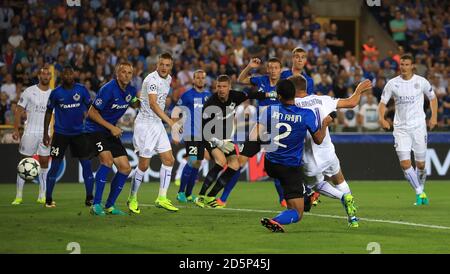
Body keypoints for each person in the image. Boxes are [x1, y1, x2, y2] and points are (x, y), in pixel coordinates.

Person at [290, 75, 373, 227]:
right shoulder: (323, 99)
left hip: (310, 156)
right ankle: (352, 217)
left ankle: (343, 197)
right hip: (328, 151)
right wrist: (359, 89)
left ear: (292, 89)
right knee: (339, 179)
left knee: (317, 185)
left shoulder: (292, 105)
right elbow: (352, 102)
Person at [258, 79, 331, 232]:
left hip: (270, 163)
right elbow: (318, 140)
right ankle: (276, 220)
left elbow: (260, 134)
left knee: (291, 195)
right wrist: (324, 124)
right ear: (295, 95)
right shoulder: (306, 114)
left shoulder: (270, 110)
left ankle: (303, 194)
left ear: (279, 96)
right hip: (289, 167)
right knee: (298, 213)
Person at [195, 74, 276, 208]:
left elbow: (252, 95)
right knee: (221, 162)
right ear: (216, 87)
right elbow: (203, 129)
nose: (221, 89)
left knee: (235, 165)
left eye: (224, 86)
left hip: (225, 138)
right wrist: (218, 142)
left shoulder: (235, 96)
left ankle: (211, 196)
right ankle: (201, 196)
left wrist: (269, 95)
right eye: (219, 86)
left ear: (229, 87)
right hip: (209, 137)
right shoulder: (210, 103)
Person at [221, 57, 285, 208]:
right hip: (260, 127)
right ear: (268, 69)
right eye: (271, 67)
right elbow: (241, 79)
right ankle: (223, 199)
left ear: (280, 69)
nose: (273, 70)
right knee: (239, 161)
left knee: (277, 165)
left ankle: (283, 199)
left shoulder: (285, 84)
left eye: (276, 67)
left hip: (277, 128)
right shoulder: (261, 80)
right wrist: (249, 66)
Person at [378, 54, 438, 206]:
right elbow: (382, 103)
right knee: (405, 164)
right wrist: (382, 118)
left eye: (406, 64)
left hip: (418, 127)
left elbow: (433, 98)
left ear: (412, 66)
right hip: (401, 128)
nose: (403, 67)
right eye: (401, 64)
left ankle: (421, 189)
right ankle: (419, 192)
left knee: (421, 165)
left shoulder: (421, 82)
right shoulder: (392, 84)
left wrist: (434, 117)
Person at [127, 52, 179, 214]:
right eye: (162, 64)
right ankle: (132, 197)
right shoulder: (151, 80)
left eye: (167, 65)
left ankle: (162, 198)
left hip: (157, 123)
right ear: (157, 64)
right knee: (143, 165)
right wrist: (170, 121)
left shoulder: (169, 79)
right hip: (145, 125)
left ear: (171, 67)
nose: (164, 68)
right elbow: (153, 104)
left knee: (169, 160)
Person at [85, 61, 138, 216]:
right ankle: (96, 205)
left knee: (125, 168)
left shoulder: (131, 91)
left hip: (110, 131)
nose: (127, 75)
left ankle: (110, 205)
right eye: (123, 72)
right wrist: (112, 127)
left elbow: (135, 102)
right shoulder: (108, 89)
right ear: (117, 73)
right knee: (107, 161)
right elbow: (92, 113)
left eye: (129, 73)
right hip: (95, 129)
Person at [43, 65, 94, 208]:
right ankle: (48, 199)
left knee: (87, 165)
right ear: (61, 76)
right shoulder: (55, 93)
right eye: (65, 74)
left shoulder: (82, 90)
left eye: (70, 74)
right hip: (60, 134)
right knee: (54, 167)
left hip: (80, 134)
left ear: (74, 75)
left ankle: (89, 198)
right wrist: (45, 133)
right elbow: (48, 112)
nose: (68, 76)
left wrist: (94, 127)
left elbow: (91, 109)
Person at [11, 66, 52, 205]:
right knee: (24, 162)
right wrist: (16, 129)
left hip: (46, 133)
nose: (46, 76)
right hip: (30, 132)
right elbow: (18, 111)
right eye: (43, 74)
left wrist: (53, 133)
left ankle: (42, 195)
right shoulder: (29, 91)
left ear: (50, 77)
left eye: (48, 74)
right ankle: (18, 196)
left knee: (45, 162)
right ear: (39, 76)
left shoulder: (53, 94)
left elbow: (55, 116)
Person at [174, 69, 212, 204]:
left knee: (198, 162)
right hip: (191, 133)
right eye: (198, 77)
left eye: (203, 77)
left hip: (203, 135)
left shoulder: (209, 95)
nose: (200, 79)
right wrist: (176, 131)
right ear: (193, 80)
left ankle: (189, 194)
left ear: (205, 80)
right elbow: (176, 112)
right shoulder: (187, 95)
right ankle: (180, 193)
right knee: (192, 160)